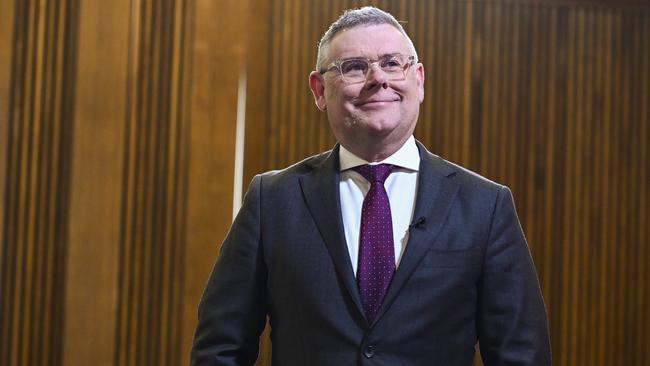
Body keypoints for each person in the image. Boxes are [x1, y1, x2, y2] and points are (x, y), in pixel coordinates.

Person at [191, 6, 551, 366]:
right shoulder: (272, 201)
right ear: (319, 90)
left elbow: (520, 356)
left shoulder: (485, 206)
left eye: (393, 63)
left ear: (419, 80)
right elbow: (221, 349)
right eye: (354, 67)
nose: (378, 78)